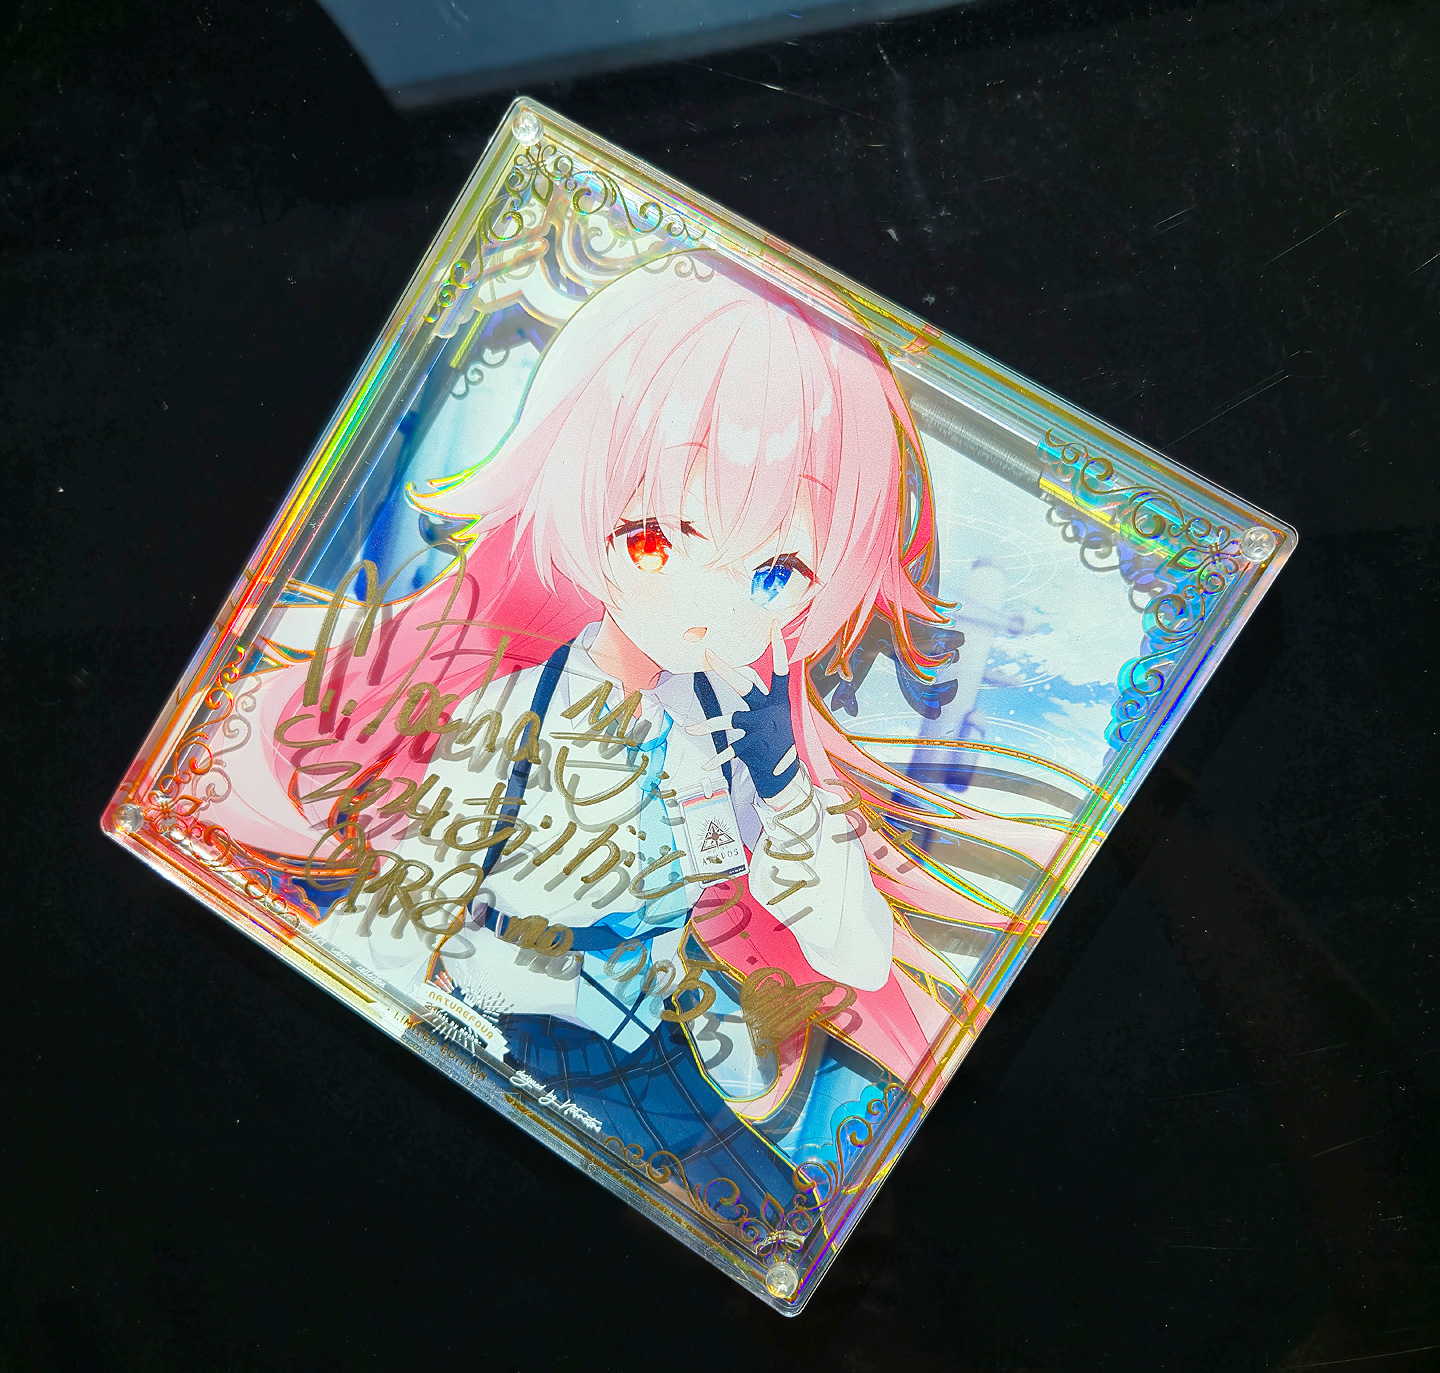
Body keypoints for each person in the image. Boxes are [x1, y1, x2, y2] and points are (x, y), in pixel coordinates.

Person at [213, 248, 1062, 1203]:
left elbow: (852, 953)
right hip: (499, 1030)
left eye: (774, 572)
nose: (706, 608)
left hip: (648, 1053)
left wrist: (784, 783)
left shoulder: (732, 738)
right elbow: (407, 905)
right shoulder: (514, 710)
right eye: (658, 539)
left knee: (779, 1207)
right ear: (588, 510)